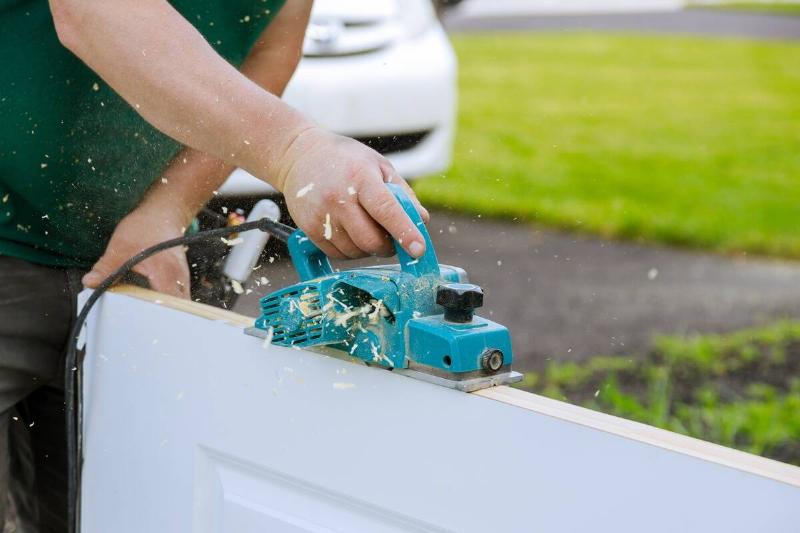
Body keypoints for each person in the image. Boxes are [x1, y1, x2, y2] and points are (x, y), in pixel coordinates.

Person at [0, 0, 430, 530]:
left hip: (122, 259)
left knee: (113, 506)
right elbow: (93, 11)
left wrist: (167, 207)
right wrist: (295, 149)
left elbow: (268, 53)